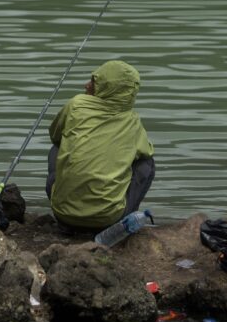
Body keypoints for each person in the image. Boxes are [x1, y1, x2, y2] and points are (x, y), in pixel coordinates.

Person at [46, 60, 155, 231]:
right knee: (147, 163)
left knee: (57, 148)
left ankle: (71, 217)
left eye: (95, 82)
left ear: (107, 88)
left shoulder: (76, 105)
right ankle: (122, 219)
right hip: (108, 220)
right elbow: (146, 152)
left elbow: (55, 135)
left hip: (63, 215)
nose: (87, 85)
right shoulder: (132, 121)